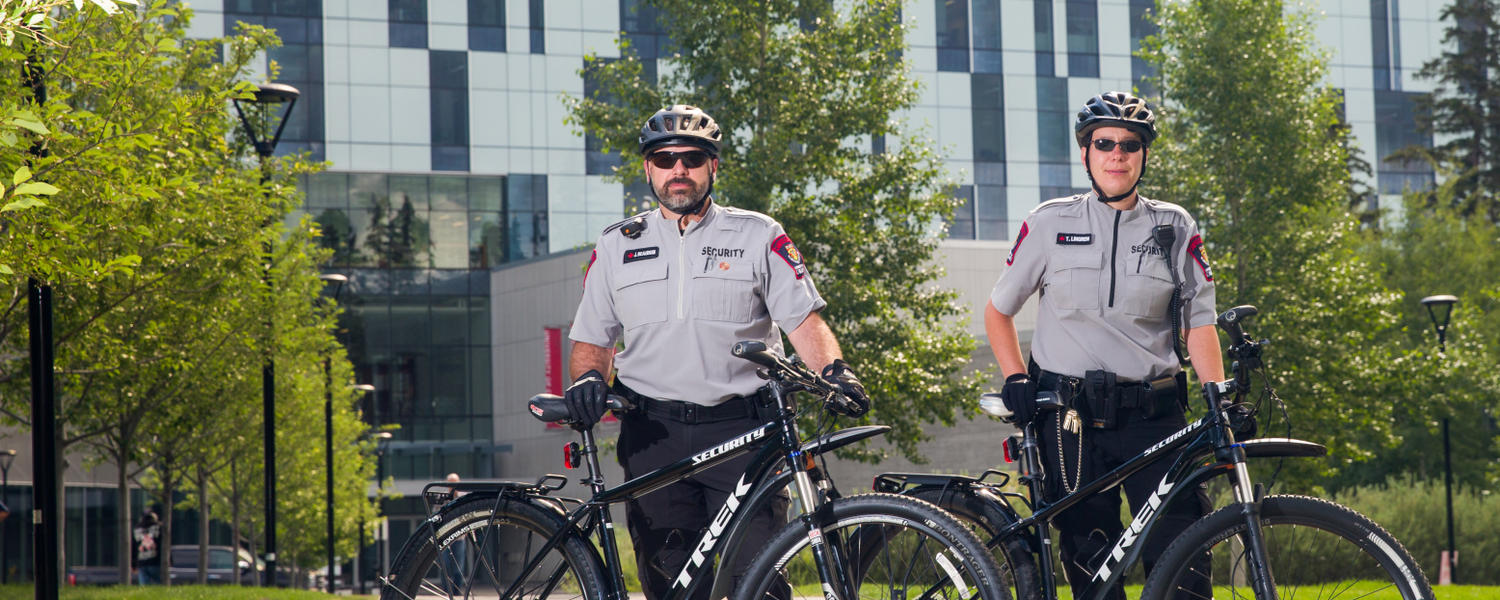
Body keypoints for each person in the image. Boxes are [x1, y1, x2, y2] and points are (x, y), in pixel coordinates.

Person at [565, 104, 870, 600]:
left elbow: (802, 321)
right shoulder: (618, 245)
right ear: (648, 169)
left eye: (691, 157)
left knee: (762, 581)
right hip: (652, 435)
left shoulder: (759, 235)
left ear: (712, 166)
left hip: (745, 432)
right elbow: (593, 341)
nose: (678, 170)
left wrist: (835, 370)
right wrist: (586, 380)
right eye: (665, 160)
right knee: (673, 587)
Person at [985, 91, 1221, 600]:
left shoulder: (1174, 227)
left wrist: (1218, 396)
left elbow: (1199, 324)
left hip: (1153, 416)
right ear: (1086, 152)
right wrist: (1015, 378)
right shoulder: (1050, 223)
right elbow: (998, 310)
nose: (1118, 154)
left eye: (1130, 144)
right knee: (1089, 558)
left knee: (1184, 553)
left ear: (1144, 154)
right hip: (1069, 418)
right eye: (1104, 143)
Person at [132, 510, 161, 585]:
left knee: (144, 586)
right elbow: (163, 546)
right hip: (156, 561)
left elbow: (133, 548)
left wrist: (133, 564)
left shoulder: (137, 530)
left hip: (142, 562)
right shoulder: (159, 528)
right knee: (159, 584)